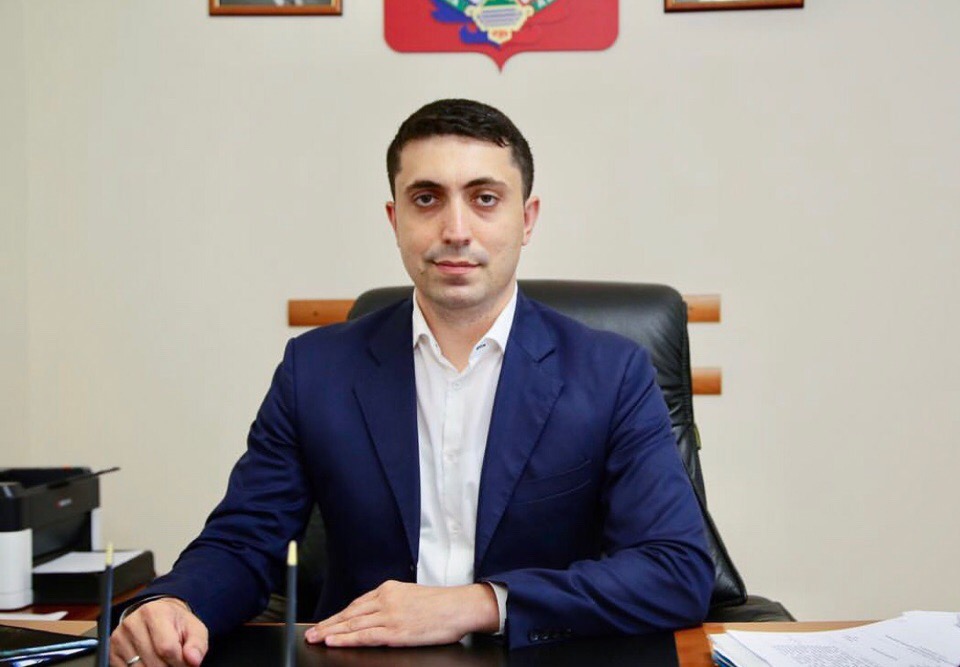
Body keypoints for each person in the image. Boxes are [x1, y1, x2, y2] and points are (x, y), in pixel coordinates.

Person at [109, 99, 714, 666]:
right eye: (427, 199)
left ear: (527, 219)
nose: (456, 229)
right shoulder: (315, 370)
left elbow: (676, 569)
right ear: (395, 219)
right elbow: (244, 542)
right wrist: (175, 602)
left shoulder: (610, 372)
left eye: (484, 198)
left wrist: (480, 603)